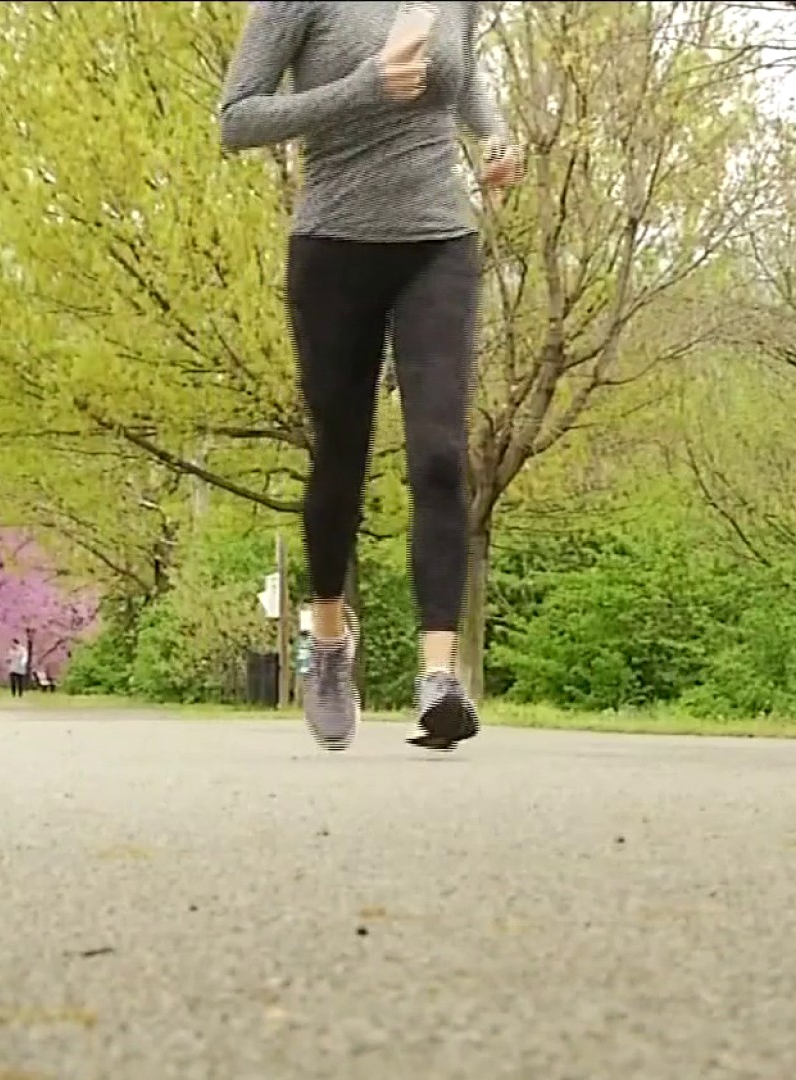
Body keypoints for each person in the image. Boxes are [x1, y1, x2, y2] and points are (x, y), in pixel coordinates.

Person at [219, 1, 525, 752]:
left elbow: (464, 80)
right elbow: (237, 119)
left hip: (438, 243)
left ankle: (439, 679)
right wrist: (362, 87)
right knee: (341, 455)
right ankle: (329, 641)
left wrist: (494, 136)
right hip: (332, 246)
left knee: (442, 454)